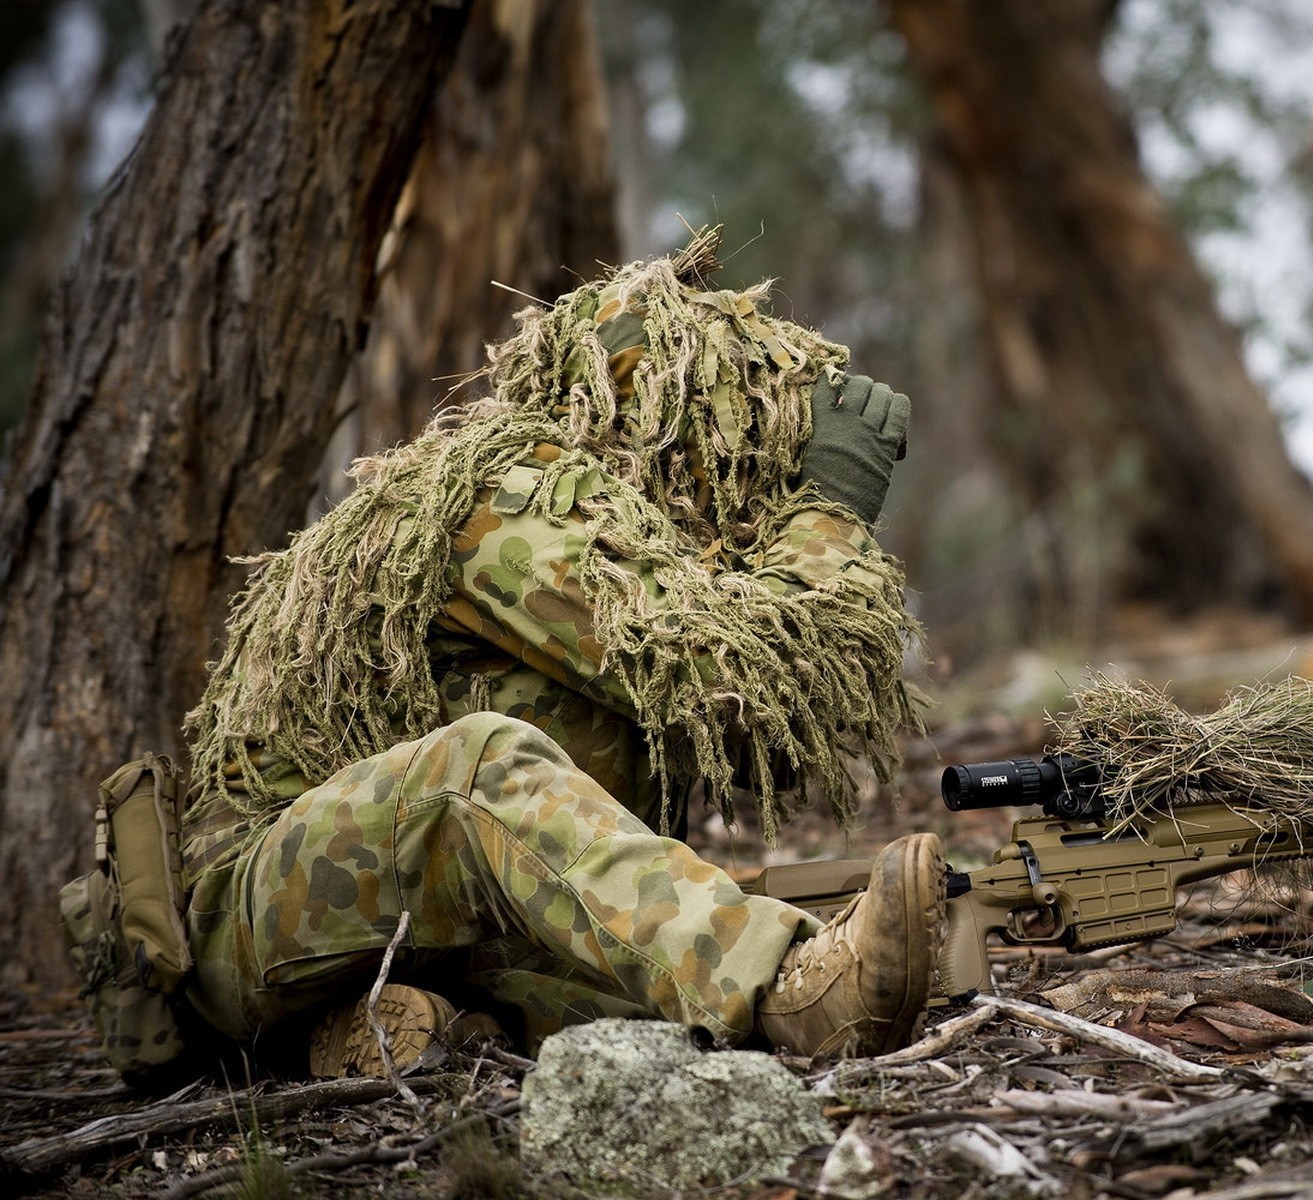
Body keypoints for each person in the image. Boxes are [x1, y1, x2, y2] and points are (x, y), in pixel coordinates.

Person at [173, 239, 942, 1072]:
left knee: (654, 998)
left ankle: (418, 1032)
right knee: (475, 767)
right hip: (245, 921)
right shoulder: (500, 502)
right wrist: (828, 506)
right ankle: (785, 991)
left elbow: (772, 741)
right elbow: (737, 684)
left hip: (427, 932)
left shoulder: (622, 538)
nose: (750, 469)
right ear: (653, 416)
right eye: (733, 430)